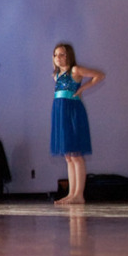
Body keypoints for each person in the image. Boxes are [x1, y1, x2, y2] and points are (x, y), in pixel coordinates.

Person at [51, 43, 104, 205]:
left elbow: (99, 75)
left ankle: (79, 194)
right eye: (56, 55)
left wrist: (82, 89)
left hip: (72, 112)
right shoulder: (56, 75)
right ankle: (71, 193)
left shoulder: (75, 70)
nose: (58, 58)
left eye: (62, 54)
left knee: (76, 155)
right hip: (60, 113)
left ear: (69, 56)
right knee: (68, 156)